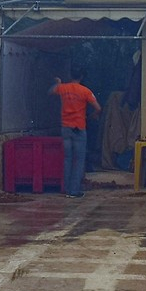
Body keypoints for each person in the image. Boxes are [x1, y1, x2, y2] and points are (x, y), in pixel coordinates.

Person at [49, 66, 101, 198]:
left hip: (65, 128)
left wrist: (58, 83)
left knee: (67, 159)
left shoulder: (63, 88)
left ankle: (66, 189)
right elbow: (98, 108)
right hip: (79, 128)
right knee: (78, 160)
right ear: (82, 77)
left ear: (70, 74)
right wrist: (93, 116)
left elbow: (51, 91)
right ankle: (74, 191)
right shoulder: (85, 91)